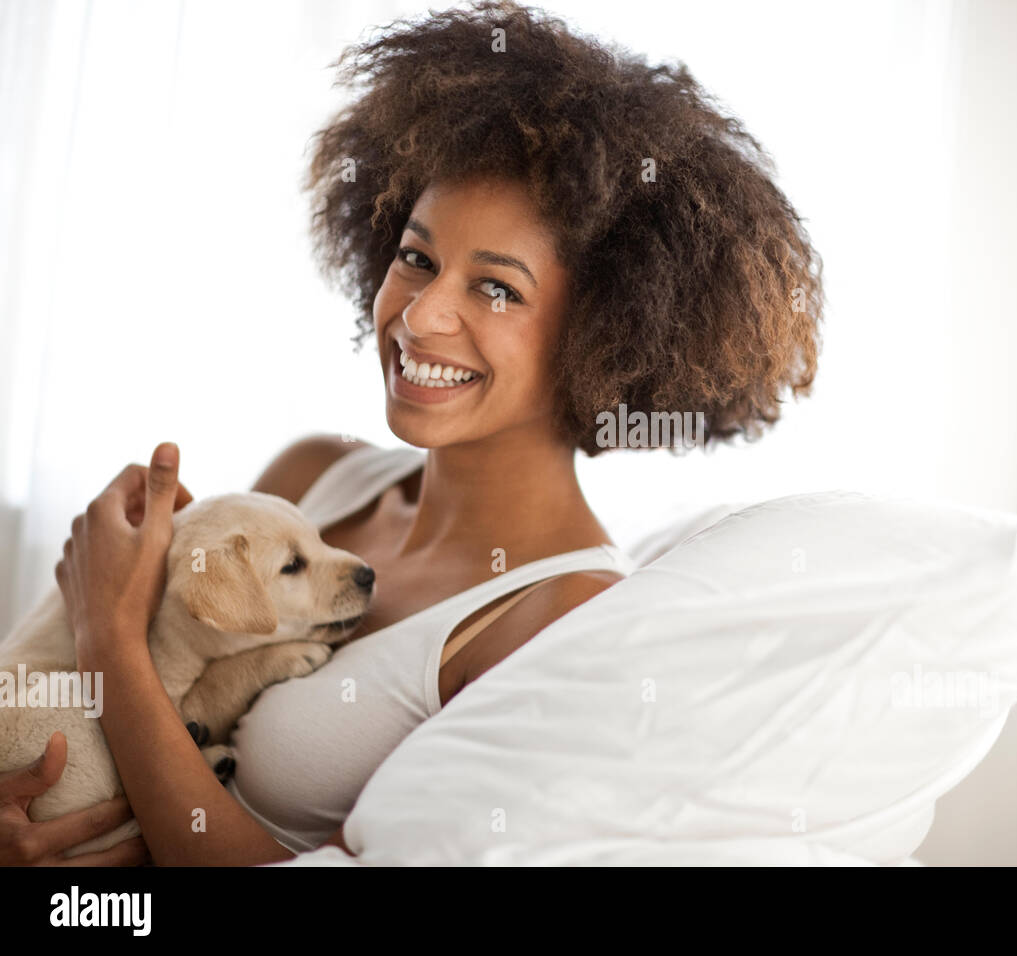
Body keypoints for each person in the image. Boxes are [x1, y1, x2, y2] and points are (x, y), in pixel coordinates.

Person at [0, 0, 822, 866]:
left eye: (496, 289)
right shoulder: (316, 476)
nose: (421, 316)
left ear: (606, 338)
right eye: (418, 258)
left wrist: (109, 643)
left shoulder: (559, 612)